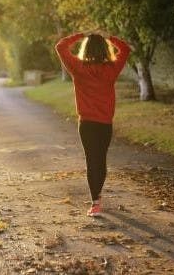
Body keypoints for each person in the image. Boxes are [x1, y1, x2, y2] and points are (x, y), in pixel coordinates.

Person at [55, 30, 131, 217]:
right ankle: (98, 197)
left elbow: (60, 46)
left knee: (92, 160)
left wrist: (81, 34)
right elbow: (126, 49)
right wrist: (109, 37)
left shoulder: (78, 68)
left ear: (85, 48)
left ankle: (95, 202)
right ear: (105, 49)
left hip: (87, 124)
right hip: (105, 123)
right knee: (101, 159)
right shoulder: (111, 69)